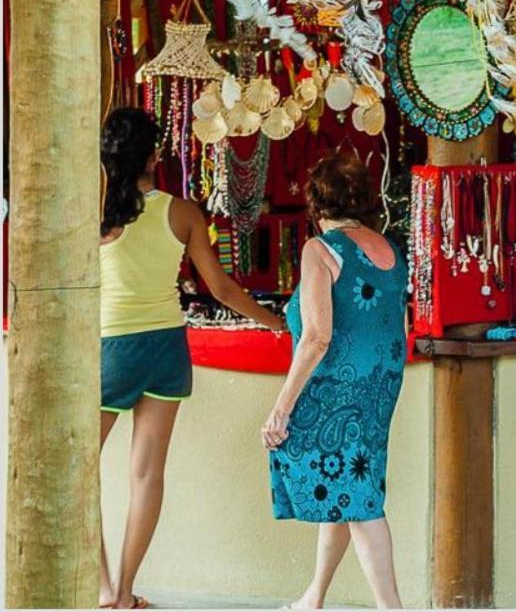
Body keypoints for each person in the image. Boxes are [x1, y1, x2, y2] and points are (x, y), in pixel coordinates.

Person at [99, 108, 285, 610]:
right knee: (147, 474)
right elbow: (221, 288)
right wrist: (276, 323)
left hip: (108, 348)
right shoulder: (181, 212)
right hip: (164, 348)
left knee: (78, 469)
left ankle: (98, 587)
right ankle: (122, 592)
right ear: (155, 157)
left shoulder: (92, 212)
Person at [262, 152, 409, 610]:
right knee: (346, 484)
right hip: (379, 384)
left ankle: (392, 608)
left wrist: (282, 407)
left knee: (359, 499)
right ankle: (315, 595)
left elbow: (316, 337)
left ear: (315, 204)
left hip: (335, 388)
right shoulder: (388, 249)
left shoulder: (320, 250)